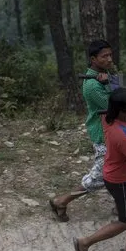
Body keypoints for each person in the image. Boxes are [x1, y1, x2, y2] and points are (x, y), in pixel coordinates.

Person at [73, 88, 126, 251]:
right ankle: (84, 243)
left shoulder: (108, 118)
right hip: (120, 181)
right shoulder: (122, 136)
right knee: (125, 221)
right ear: (125, 111)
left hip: (123, 175)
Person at [49, 40, 116, 222]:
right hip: (103, 134)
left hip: (112, 132)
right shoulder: (92, 85)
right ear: (93, 59)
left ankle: (122, 204)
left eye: (110, 55)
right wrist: (109, 86)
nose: (109, 59)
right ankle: (62, 201)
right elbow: (114, 105)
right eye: (105, 56)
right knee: (100, 175)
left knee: (122, 166)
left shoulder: (103, 75)